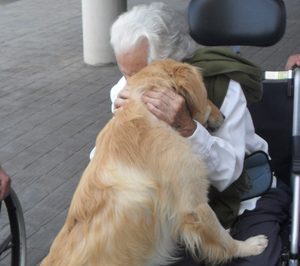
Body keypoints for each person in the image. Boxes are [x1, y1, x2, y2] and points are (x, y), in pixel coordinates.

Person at [92, 2, 291, 265]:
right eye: (124, 73)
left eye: (138, 75)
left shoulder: (224, 87)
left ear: (172, 63)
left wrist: (188, 128)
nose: (129, 85)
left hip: (244, 198)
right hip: (176, 209)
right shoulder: (125, 89)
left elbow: (228, 174)